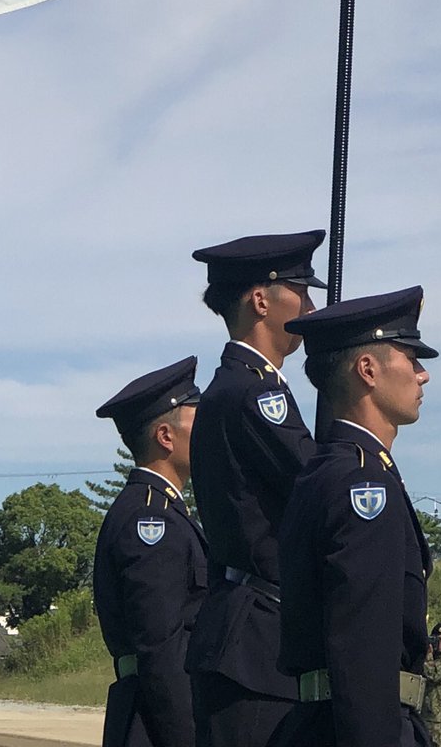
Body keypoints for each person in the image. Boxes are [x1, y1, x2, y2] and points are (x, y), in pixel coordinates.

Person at [275, 286, 437, 747]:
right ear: (368, 370)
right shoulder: (362, 484)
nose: (423, 375)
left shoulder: (330, 470)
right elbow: (364, 650)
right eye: (410, 357)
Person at [185, 230, 327, 747]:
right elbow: (317, 488)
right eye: (302, 291)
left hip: (254, 636)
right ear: (262, 300)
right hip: (257, 644)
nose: (311, 307)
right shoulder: (254, 392)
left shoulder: (239, 386)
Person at [93, 357, 208, 747]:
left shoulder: (162, 511)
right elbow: (161, 649)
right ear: (165, 436)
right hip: (156, 723)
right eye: (199, 421)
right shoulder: (150, 521)